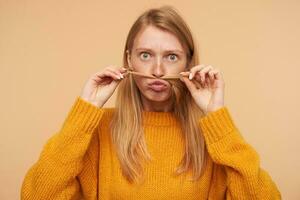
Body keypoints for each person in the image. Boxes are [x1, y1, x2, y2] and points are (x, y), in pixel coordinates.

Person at [21, 5, 281, 200]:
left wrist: (218, 118)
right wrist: (83, 112)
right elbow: (36, 195)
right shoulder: (99, 130)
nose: (157, 70)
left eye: (171, 56)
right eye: (145, 55)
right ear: (129, 60)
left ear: (188, 63)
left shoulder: (212, 135)